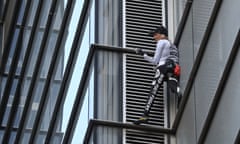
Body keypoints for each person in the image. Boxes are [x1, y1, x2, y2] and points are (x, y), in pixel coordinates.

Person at [134, 26, 181, 125]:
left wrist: (143, 54)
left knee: (153, 90)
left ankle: (145, 115)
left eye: (155, 35)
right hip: (173, 67)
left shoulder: (161, 42)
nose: (154, 38)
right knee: (172, 86)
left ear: (162, 35)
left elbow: (155, 60)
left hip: (163, 67)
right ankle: (178, 93)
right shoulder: (173, 45)